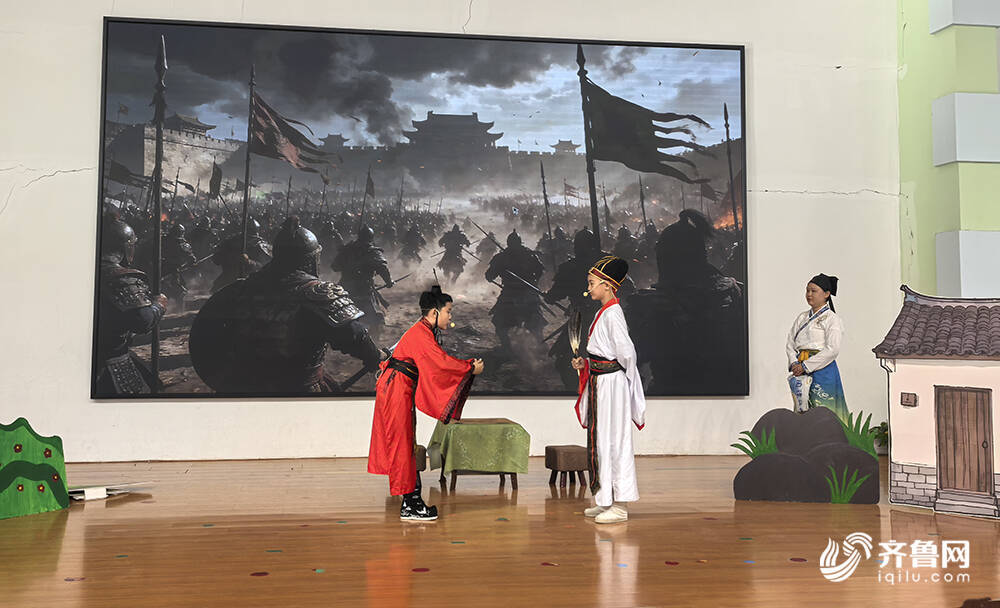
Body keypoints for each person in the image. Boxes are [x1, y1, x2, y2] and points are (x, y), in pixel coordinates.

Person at [368, 286, 485, 521]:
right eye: (448, 311)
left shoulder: (422, 331)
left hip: (398, 387)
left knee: (406, 444)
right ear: (434, 312)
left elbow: (437, 363)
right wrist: (469, 367)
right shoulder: (421, 334)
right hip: (396, 389)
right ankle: (412, 505)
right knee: (403, 445)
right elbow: (441, 363)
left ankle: (411, 502)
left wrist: (466, 367)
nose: (450, 316)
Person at [571, 256, 646, 524]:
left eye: (592, 283)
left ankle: (620, 505)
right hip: (601, 383)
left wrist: (622, 380)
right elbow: (603, 351)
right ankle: (605, 500)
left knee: (615, 440)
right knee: (601, 441)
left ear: (607, 285)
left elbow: (626, 353)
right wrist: (586, 364)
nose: (588, 287)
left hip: (612, 386)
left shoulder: (614, 314)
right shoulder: (603, 312)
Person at [786, 274, 848, 421]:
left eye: (813, 291)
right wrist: (794, 363)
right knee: (802, 408)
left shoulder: (832, 319)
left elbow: (832, 349)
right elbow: (790, 343)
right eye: (807, 290)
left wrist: (805, 366)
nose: (809, 294)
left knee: (824, 409)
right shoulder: (802, 318)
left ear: (826, 294)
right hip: (800, 366)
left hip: (823, 369)